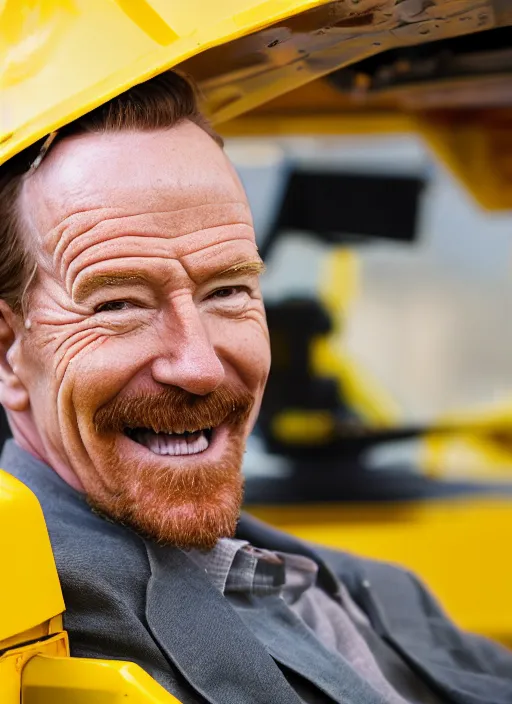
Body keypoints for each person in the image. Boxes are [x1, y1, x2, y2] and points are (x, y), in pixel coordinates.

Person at [0, 71, 510, 704]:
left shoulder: (297, 571)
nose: (200, 366)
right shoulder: (43, 622)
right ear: (7, 352)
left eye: (228, 291)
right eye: (119, 304)